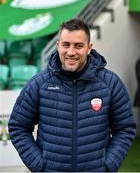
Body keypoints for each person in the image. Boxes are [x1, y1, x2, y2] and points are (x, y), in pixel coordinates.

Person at [8, 18, 136, 172]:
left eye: (78, 46)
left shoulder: (110, 83)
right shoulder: (39, 84)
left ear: (89, 48)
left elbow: (124, 128)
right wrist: (39, 165)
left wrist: (108, 166)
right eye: (66, 45)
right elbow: (18, 127)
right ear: (57, 46)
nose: (71, 52)